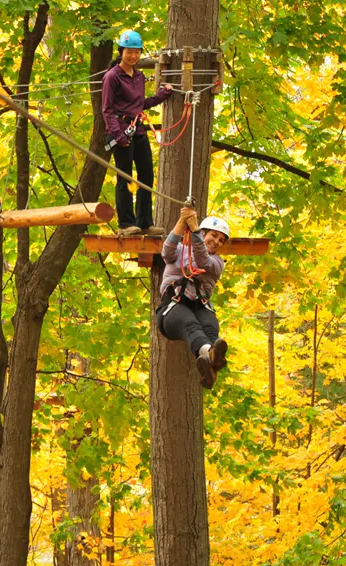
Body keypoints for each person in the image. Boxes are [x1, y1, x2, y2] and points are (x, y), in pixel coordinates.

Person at [102, 29, 174, 236]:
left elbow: (141, 104)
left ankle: (144, 223)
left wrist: (163, 95)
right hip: (120, 130)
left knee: (146, 176)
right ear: (121, 52)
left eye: (136, 52)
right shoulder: (112, 77)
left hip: (138, 130)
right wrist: (118, 135)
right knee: (124, 177)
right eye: (129, 52)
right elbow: (106, 109)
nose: (133, 56)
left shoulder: (139, 76)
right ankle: (126, 224)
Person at [155, 207, 230, 389]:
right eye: (213, 235)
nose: (217, 242)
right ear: (203, 233)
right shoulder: (180, 250)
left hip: (199, 305)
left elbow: (203, 260)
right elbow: (166, 252)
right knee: (190, 324)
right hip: (173, 307)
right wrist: (182, 222)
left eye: (221, 240)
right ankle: (210, 355)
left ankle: (210, 362)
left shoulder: (217, 263)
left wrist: (195, 232)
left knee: (211, 328)